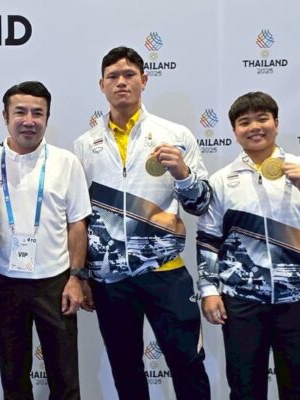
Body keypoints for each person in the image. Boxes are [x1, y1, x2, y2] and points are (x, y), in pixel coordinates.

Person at [196, 91, 300, 399]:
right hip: (242, 304)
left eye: (262, 119)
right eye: (245, 122)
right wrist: (209, 290)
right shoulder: (222, 180)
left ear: (277, 123)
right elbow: (208, 238)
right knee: (245, 391)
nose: (255, 127)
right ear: (235, 131)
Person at [73, 46, 211, 400]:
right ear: (101, 85)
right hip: (110, 279)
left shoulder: (175, 135)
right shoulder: (84, 145)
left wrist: (183, 174)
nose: (121, 82)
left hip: (166, 272)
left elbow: (200, 204)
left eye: (129, 75)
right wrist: (82, 274)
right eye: (113, 76)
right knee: (126, 371)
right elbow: (79, 216)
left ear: (144, 80)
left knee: (188, 364)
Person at [0, 81, 92, 400]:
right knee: (13, 379)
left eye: (38, 113)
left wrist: (76, 278)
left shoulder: (66, 162)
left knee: (65, 380)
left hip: (56, 283)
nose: (29, 120)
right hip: (6, 283)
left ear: (47, 118)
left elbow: (77, 224)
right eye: (20, 112)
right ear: (5, 116)